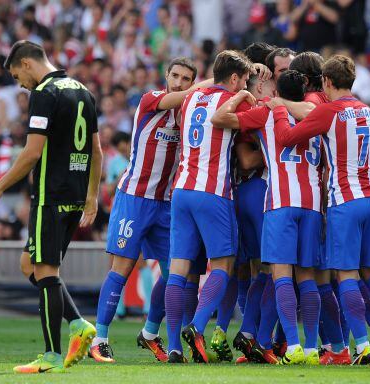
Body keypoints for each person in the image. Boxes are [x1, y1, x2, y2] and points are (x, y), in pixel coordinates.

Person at [266, 55, 370, 366]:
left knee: (346, 275)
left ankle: (361, 345)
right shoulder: (369, 112)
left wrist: (278, 105)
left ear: (327, 82)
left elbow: (287, 137)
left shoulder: (329, 111)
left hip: (346, 201)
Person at [0, 40, 103, 373]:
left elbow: (32, 153)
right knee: (29, 266)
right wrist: (91, 196)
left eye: (17, 75)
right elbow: (97, 151)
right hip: (76, 196)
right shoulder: (82, 90)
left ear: (27, 64)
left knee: (46, 271)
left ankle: (50, 356)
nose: (20, 83)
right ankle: (78, 324)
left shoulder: (45, 93)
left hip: (51, 195)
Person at [90, 57, 206, 364]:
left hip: (166, 204)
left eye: (186, 79)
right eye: (176, 76)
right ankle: (99, 339)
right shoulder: (151, 100)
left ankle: (151, 333)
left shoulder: (189, 116)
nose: (179, 82)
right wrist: (216, 83)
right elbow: (181, 97)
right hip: (134, 198)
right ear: (166, 76)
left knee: (174, 275)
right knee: (122, 268)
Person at [212, 70, 323, 365]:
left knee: (280, 274)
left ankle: (293, 346)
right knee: (308, 276)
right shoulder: (315, 112)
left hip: (280, 201)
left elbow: (221, 119)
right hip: (312, 202)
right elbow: (310, 111)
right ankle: (312, 348)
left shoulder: (266, 113)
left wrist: (260, 101)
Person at [165, 50, 254, 363]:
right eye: (244, 79)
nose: (247, 85)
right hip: (213, 192)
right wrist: (244, 93)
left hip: (182, 190)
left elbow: (205, 88)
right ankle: (198, 326)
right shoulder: (235, 99)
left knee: (178, 269)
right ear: (233, 79)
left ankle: (174, 346)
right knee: (224, 264)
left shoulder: (191, 98)